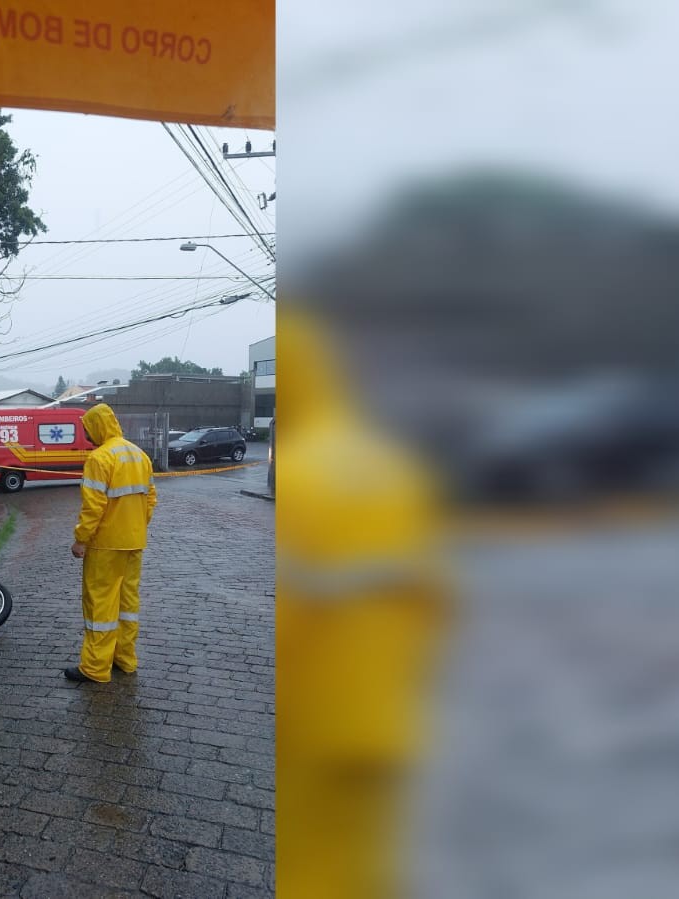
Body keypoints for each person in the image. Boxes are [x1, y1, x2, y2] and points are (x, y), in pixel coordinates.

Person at [271, 305, 454, 898]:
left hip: (319, 721)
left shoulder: (303, 473)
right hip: (392, 714)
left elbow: (291, 620)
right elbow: (441, 598)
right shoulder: (394, 465)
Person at [65, 403, 157, 684]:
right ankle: (125, 659)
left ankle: (95, 668)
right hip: (134, 542)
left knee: (101, 606)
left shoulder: (99, 458)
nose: (87, 435)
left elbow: (93, 507)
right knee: (128, 604)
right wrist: (135, 527)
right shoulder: (140, 455)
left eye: (87, 429)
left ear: (96, 427)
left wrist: (81, 540)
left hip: (105, 545)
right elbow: (150, 499)